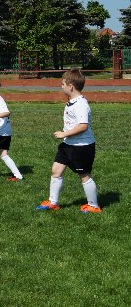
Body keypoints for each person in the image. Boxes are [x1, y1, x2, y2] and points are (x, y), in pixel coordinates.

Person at [36, 69, 100, 213]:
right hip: (68, 144)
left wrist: (64, 133)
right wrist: (65, 136)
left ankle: (93, 206)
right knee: (56, 171)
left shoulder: (81, 104)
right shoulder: (72, 102)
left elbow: (83, 126)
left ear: (70, 86)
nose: (61, 86)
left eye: (63, 84)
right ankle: (53, 203)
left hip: (82, 146)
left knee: (84, 175)